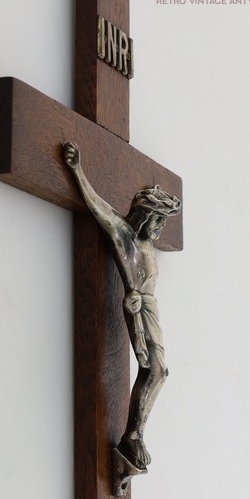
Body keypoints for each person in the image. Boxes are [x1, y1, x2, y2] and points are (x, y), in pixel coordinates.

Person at [64, 141, 181, 472]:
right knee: (154, 369)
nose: (160, 229)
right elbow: (98, 207)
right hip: (136, 306)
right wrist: (77, 170)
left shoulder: (147, 243)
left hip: (150, 308)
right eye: (158, 221)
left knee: (160, 371)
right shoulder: (125, 236)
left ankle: (135, 435)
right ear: (145, 216)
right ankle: (134, 436)